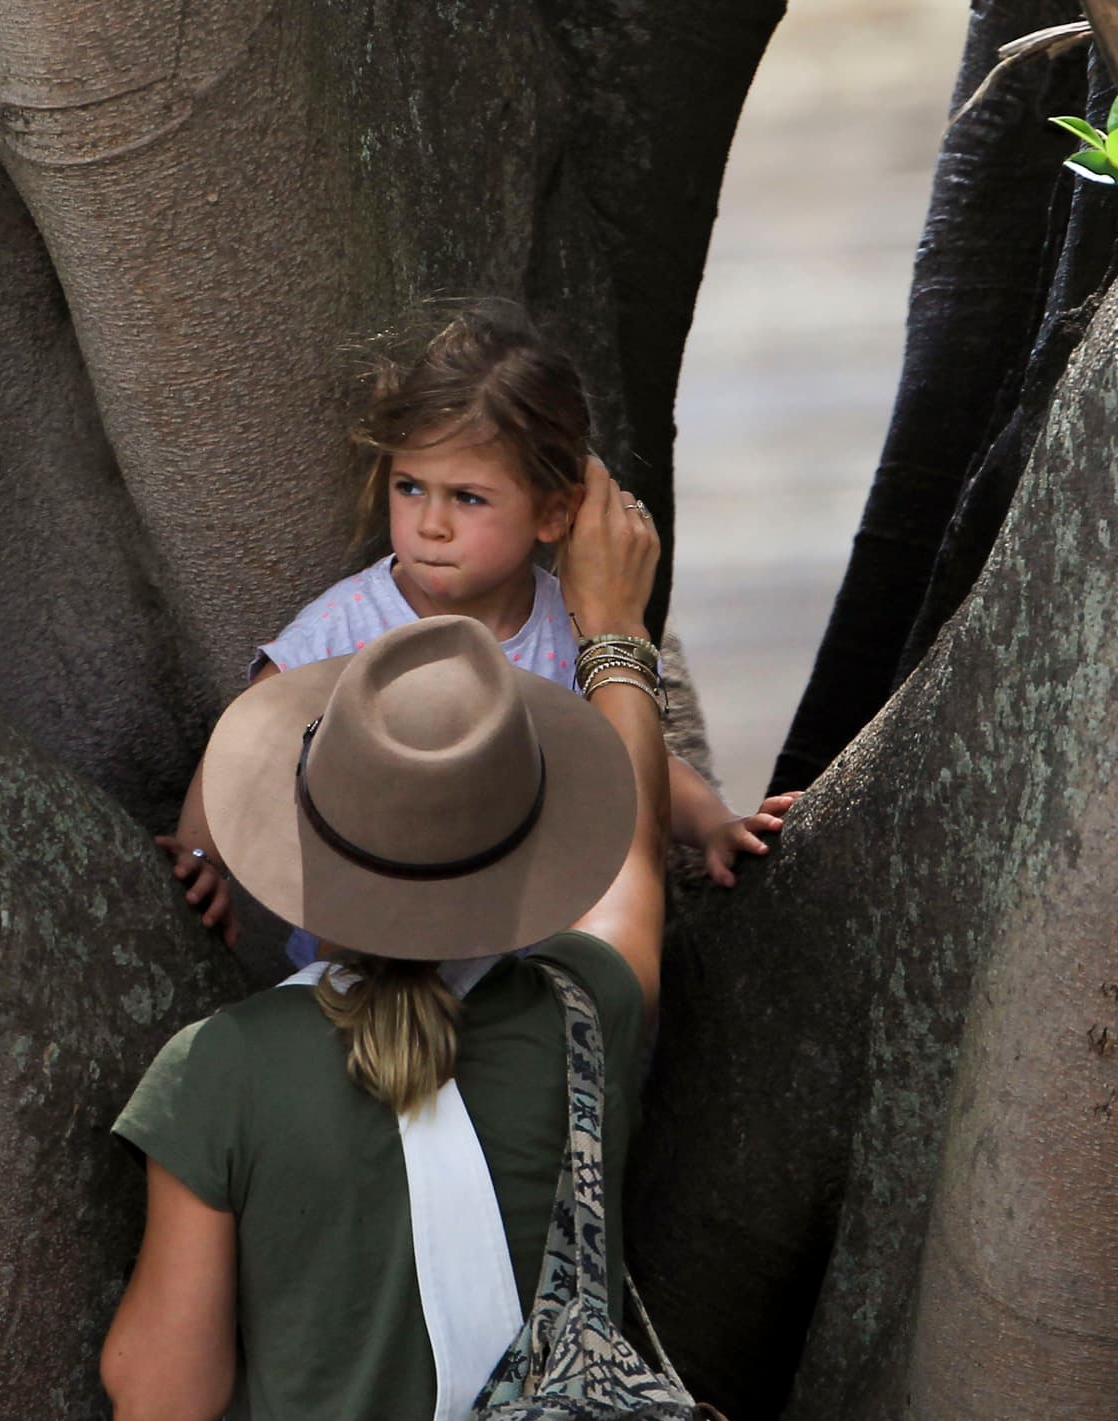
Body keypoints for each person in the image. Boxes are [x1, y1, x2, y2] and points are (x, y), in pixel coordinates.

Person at [101, 470, 669, 1421]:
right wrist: (610, 631)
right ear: (530, 847)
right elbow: (634, 862)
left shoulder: (223, 1069)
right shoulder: (581, 1015)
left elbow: (161, 1413)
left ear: (302, 839)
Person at [156, 300, 797, 948]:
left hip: (524, 952)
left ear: (552, 513)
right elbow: (248, 736)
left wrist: (715, 823)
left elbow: (630, 757)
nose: (431, 523)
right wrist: (201, 855)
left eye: (467, 497)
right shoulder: (351, 620)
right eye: (410, 487)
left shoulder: (569, 628)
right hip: (361, 962)